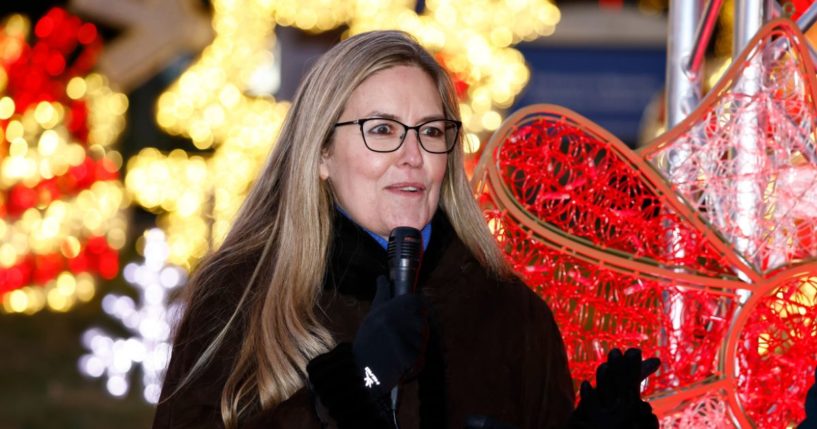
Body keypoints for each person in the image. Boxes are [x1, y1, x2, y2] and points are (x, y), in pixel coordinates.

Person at [152, 30, 657, 429]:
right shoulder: (245, 296)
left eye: (431, 131)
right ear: (322, 152)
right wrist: (359, 387)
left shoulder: (509, 314)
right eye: (382, 130)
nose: (412, 157)